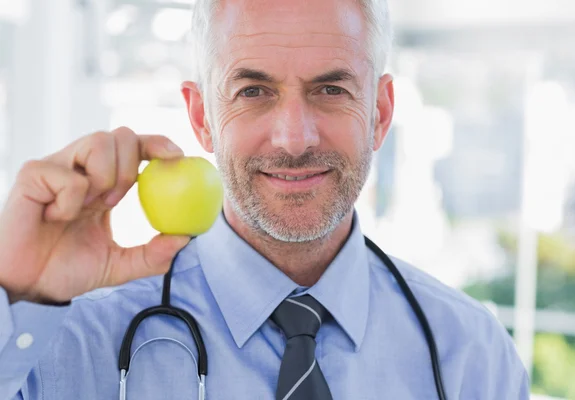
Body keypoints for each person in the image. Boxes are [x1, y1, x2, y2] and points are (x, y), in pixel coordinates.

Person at [0, 0, 530, 398]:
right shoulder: (61, 345)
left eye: (331, 90)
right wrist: (14, 287)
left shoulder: (471, 355)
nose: (294, 139)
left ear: (380, 113)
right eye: (253, 91)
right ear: (203, 116)